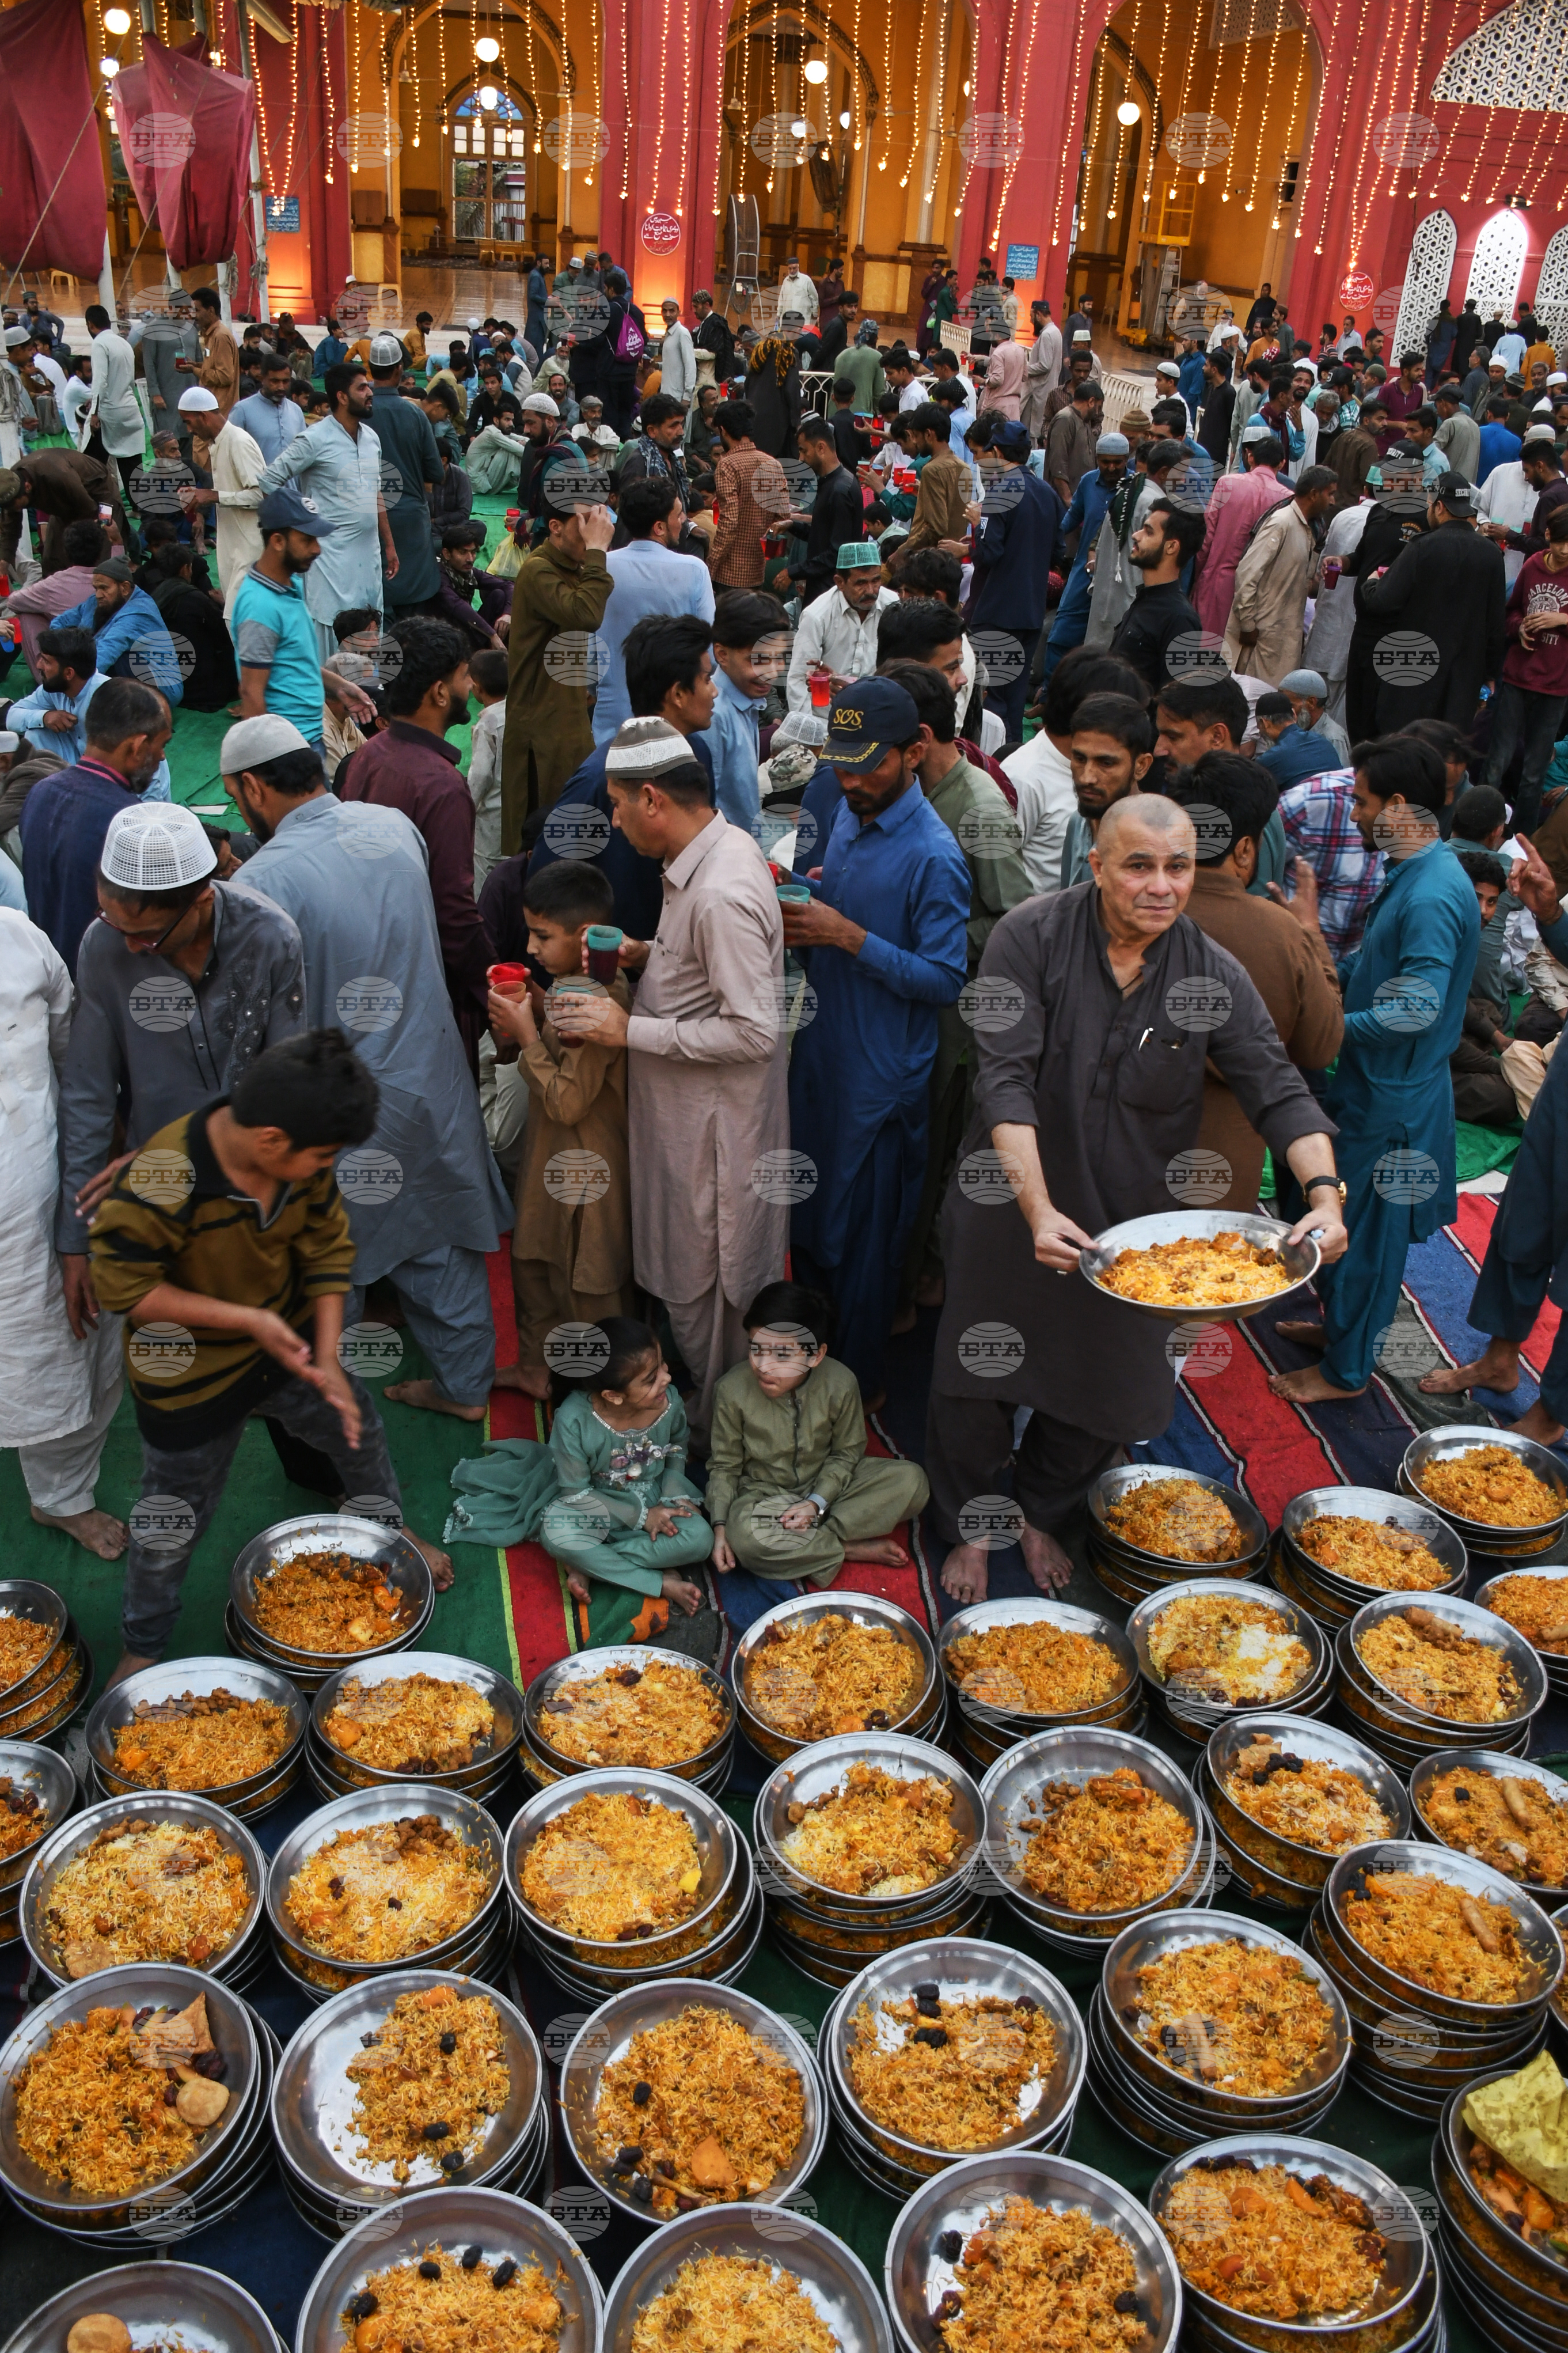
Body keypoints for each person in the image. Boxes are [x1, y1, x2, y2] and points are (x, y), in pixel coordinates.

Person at [927, 793, 1346, 1604]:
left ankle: (1039, 1511)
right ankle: (975, 1526)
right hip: (1010, 1214)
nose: (1160, 887)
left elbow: (1276, 1087)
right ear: (1095, 866)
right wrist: (1038, 1209)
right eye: (1138, 866)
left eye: (1178, 867)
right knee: (972, 1387)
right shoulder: (1031, 936)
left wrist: (1322, 1195)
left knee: (1110, 1395)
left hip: (1129, 1242)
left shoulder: (1207, 974)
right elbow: (1003, 1079)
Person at [89, 1027, 450, 1677]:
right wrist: (247, 1319)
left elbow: (327, 1248)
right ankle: (142, 1643)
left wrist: (330, 1359)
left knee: (360, 1433)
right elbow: (125, 1288)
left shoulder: (296, 1158)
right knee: (172, 1522)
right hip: (190, 1379)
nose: (325, 1168)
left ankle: (392, 1534)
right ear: (271, 1142)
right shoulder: (165, 1175)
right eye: (322, 1157)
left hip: (289, 1346)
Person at [221, 715, 510, 1426]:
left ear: (252, 786)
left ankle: (337, 1420)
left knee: (329, 1262)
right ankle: (466, 1388)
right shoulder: (389, 826)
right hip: (431, 1077)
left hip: (338, 1110)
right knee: (441, 1236)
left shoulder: (260, 880)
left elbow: (253, 1028)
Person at [549, 719, 788, 1446]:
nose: (614, 823)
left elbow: (754, 1031)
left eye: (618, 807)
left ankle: (718, 1444)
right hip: (689, 1123)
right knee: (690, 1293)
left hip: (710, 1141)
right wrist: (647, 953)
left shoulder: (717, 891)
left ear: (651, 797)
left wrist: (628, 1031)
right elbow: (704, 973)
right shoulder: (713, 850)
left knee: (704, 1298)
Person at [1270, 735, 1478, 1403]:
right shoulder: (1409, 872)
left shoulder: (1430, 896)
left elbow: (1416, 1006)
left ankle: (1345, 1372)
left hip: (1394, 1102)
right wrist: (1311, 945)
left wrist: (1329, 1032)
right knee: (1337, 1217)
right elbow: (1370, 971)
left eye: (1360, 801)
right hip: (1368, 1087)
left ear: (1394, 805)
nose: (1353, 814)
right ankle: (1339, 1334)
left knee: (1366, 1241)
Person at [780, 677, 969, 1403]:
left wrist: (848, 935)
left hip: (880, 1085)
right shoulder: (852, 814)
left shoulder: (935, 856)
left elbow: (945, 978)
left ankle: (847, 1394)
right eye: (840, 763)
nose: (850, 780)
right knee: (812, 1229)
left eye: (867, 764)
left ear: (916, 751)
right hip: (824, 1058)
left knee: (860, 1251)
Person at [54, 798, 305, 1331]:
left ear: (201, 898)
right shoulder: (104, 948)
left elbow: (291, 1096)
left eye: (146, 935)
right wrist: (76, 1237)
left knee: (283, 1370)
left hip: (260, 1201)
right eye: (113, 921)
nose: (130, 947)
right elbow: (88, 1093)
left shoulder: (270, 939)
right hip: (160, 1208)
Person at [880, 658, 1029, 1328]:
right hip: (900, 996)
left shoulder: (976, 807)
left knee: (930, 1151)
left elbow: (1013, 918)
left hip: (952, 1016)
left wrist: (919, 925)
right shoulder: (904, 789)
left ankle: (916, 1282)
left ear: (915, 740)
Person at [0, 907, 126, 1561]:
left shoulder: (17, 936)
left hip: (51, 1197)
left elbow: (73, 1057)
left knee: (69, 1350)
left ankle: (60, 1496)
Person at [1166, 753, 1344, 1207]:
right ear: (1245, 849)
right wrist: (1311, 937)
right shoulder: (1279, 932)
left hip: (1121, 1154)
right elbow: (1320, 1047)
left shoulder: (1133, 911)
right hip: (1225, 1168)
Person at [484, 858, 632, 1400]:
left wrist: (526, 1036)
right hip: (551, 1160)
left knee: (588, 1286)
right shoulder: (575, 984)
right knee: (535, 1265)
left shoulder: (601, 1000)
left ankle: (611, 1398)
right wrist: (534, 1005)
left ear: (584, 935)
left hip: (589, 1171)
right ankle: (535, 1368)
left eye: (542, 936)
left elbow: (570, 1101)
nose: (530, 948)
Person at [336, 618, 493, 1073]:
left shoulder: (370, 753)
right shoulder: (441, 785)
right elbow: (453, 913)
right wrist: (493, 990)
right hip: (422, 988)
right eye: (465, 675)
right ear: (440, 693)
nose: (470, 684)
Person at [708, 1279, 929, 1582]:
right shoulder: (731, 1390)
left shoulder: (840, 1383)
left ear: (815, 1355)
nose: (763, 1366)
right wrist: (720, 1528)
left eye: (782, 1356)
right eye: (755, 1349)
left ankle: (815, 1543)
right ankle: (846, 1547)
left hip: (829, 1488)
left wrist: (816, 1502)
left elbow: (847, 1452)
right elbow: (725, 1466)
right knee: (745, 1539)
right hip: (764, 1496)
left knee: (913, 1482)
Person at [521, 619, 718, 941]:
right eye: (707, 679)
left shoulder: (696, 755)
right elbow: (547, 885)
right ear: (679, 693)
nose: (715, 691)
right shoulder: (599, 779)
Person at [19, 679, 173, 974]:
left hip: (52, 974)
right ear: (139, 746)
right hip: (106, 985)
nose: (162, 757)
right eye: (161, 745)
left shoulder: (40, 793)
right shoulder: (131, 824)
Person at [259, 362, 395, 660]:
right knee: (331, 631)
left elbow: (376, 492)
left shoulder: (372, 438)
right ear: (342, 397)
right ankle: (330, 702)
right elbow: (269, 480)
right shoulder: (315, 438)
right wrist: (301, 529)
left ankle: (368, 697)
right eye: (362, 387)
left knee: (369, 628)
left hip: (368, 555)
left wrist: (389, 545)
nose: (369, 392)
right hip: (329, 559)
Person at [502, 487, 614, 846]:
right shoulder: (538, 570)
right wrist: (597, 552)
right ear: (555, 527)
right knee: (543, 835)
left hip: (566, 713)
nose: (591, 536)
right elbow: (586, 615)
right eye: (583, 527)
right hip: (542, 721)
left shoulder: (573, 567)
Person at [233, 486, 375, 757]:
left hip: (308, 737)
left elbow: (293, 661)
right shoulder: (260, 607)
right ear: (277, 541)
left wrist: (339, 685)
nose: (317, 549)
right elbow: (251, 693)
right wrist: (271, 764)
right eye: (308, 540)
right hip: (289, 747)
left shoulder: (289, 584)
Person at [1357, 472, 1506, 730]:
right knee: (1445, 750)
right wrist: (1491, 674)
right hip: (1462, 676)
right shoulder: (1492, 554)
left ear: (1439, 507)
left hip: (1411, 666)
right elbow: (1495, 625)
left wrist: (1371, 583)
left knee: (1403, 748)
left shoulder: (1422, 546)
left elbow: (1382, 602)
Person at [593, 476, 715, 744]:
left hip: (610, 720)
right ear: (659, 527)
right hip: (673, 719)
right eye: (679, 514)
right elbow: (710, 652)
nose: (683, 520)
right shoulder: (694, 571)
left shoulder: (601, 568)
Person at [968, 418, 1063, 736]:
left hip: (998, 612)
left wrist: (976, 526)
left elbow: (987, 555)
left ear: (996, 452)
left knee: (993, 698)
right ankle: (1009, 760)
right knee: (1014, 699)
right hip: (1031, 613)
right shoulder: (1047, 492)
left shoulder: (1000, 493)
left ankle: (992, 763)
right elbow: (1058, 551)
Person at [1483, 501, 1568, 836]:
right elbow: (1512, 610)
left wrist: (1561, 618)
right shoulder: (1533, 566)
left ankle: (1521, 841)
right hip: (1518, 678)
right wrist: (1518, 627)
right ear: (1548, 536)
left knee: (1534, 772)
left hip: (1556, 685)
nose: (1566, 551)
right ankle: (1484, 833)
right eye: (1561, 542)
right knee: (1497, 762)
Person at [363, 333, 444, 617]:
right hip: (410, 520)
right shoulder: (415, 415)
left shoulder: (359, 414)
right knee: (413, 606)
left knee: (373, 602)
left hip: (367, 518)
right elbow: (436, 471)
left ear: (370, 370)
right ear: (399, 370)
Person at [1039, 431, 1129, 683]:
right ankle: (1049, 695)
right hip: (1083, 572)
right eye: (1105, 462)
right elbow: (1070, 519)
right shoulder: (1090, 482)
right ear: (1097, 460)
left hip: (1116, 577)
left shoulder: (1134, 489)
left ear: (1127, 460)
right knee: (1061, 634)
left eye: (1118, 462)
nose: (1111, 468)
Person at [176, 386, 265, 617]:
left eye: (189, 422)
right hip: (233, 548)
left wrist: (212, 495)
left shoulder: (238, 441)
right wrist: (200, 495)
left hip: (251, 551)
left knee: (241, 623)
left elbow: (262, 495)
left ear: (203, 416)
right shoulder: (218, 444)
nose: (189, 430)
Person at [1192, 430, 1291, 638]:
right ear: (1281, 463)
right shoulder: (1287, 499)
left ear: (1250, 456)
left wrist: (1198, 575)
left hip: (1217, 582)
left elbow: (1206, 537)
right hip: (1259, 593)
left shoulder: (1227, 484)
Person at [52, 558, 185, 709]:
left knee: (119, 661)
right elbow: (59, 623)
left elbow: (104, 655)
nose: (98, 595)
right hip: (115, 668)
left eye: (104, 588)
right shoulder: (96, 602)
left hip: (161, 689)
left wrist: (65, 684)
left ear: (125, 588)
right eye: (96, 588)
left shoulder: (138, 612)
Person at [705, 589, 787, 828]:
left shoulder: (747, 701)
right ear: (722, 654)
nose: (771, 672)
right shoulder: (713, 717)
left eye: (779, 658)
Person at [785, 541, 895, 713]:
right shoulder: (817, 615)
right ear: (840, 582)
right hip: (826, 720)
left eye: (876, 581)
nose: (871, 590)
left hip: (877, 712)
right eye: (861, 583)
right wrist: (807, 731)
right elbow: (799, 679)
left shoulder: (893, 606)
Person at [1108, 502, 1206, 693]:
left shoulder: (1180, 619)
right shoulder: (1145, 600)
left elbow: (1172, 703)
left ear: (1171, 547)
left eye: (1149, 532)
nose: (1136, 536)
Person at [0, 447, 131, 575]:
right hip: (63, 506)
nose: (12, 510)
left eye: (13, 506)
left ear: (27, 487)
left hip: (100, 498)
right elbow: (10, 530)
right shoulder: (9, 486)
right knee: (52, 560)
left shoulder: (58, 476)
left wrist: (98, 527)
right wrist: (5, 560)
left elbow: (88, 509)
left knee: (101, 558)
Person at [778, 414, 864, 604]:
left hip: (831, 596)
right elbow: (822, 534)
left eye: (803, 451)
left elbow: (836, 553)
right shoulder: (830, 484)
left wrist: (793, 571)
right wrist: (792, 525)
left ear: (821, 448)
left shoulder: (840, 490)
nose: (801, 458)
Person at [143, 544, 237, 711]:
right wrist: (226, 605)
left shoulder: (153, 597)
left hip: (169, 679)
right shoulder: (194, 599)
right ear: (186, 568)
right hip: (203, 686)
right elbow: (226, 634)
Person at [711, 398, 783, 589]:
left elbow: (729, 522)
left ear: (723, 431)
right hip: (758, 570)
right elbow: (783, 516)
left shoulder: (727, 465)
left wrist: (711, 567)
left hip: (729, 574)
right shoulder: (773, 464)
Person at [8, 624, 105, 763]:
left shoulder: (107, 697)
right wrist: (45, 717)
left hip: (103, 775)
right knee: (36, 733)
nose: (39, 666)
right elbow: (12, 718)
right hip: (73, 766)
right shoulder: (55, 689)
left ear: (69, 673)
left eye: (46, 661)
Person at [898, 401, 972, 560]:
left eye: (916, 436)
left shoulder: (931, 470)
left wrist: (903, 550)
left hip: (932, 564)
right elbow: (954, 510)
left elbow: (935, 528)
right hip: (953, 563)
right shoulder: (964, 467)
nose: (916, 442)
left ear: (929, 435)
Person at [465, 645, 507, 888]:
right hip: (516, 818)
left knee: (486, 885)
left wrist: (466, 809)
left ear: (478, 688)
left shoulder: (488, 725)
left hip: (491, 823)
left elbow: (479, 777)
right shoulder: (519, 714)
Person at [229, 349, 303, 468]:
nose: (281, 387)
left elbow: (303, 454)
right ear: (262, 379)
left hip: (292, 486)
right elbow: (230, 455)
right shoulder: (242, 411)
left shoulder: (296, 411)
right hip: (256, 485)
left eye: (285, 381)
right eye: (275, 381)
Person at [191, 285, 240, 418]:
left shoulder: (221, 336)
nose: (193, 316)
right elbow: (216, 366)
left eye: (197, 311)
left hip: (219, 412)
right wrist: (196, 365)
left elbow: (225, 376)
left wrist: (194, 371)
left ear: (211, 311)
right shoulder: (211, 335)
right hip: (212, 409)